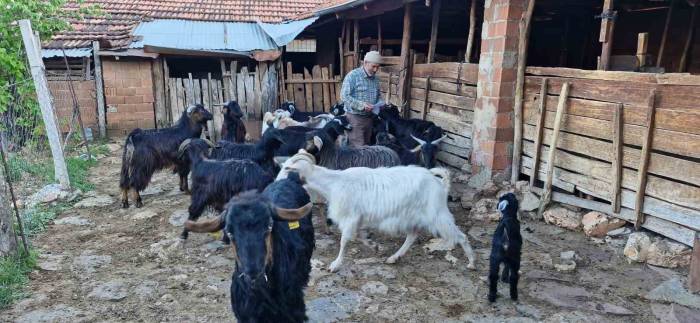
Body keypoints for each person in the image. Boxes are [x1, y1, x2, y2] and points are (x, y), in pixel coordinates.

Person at [340, 51, 384, 146]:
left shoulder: (375, 79)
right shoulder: (353, 76)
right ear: (365, 63)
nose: (376, 69)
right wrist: (361, 105)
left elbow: (378, 96)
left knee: (367, 146)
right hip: (355, 119)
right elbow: (344, 96)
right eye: (373, 66)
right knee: (358, 149)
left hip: (369, 118)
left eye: (378, 67)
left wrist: (381, 103)